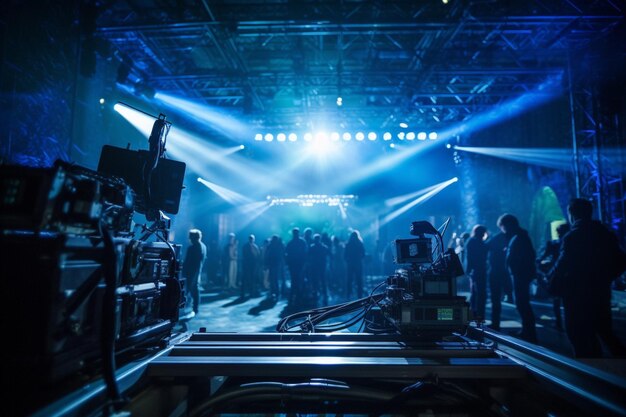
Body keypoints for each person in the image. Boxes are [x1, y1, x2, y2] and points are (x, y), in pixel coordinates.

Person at [547, 198, 626, 358]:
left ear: (572, 214)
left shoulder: (573, 236)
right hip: (600, 292)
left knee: (579, 336)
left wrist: (550, 279)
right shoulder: (605, 233)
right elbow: (621, 261)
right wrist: (606, 278)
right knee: (605, 332)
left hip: (576, 294)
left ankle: (588, 376)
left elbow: (563, 265)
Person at [497, 213, 538, 343]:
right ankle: (527, 330)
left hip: (520, 275)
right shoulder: (519, 236)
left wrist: (516, 269)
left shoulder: (520, 237)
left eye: (502, 226)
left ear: (508, 224)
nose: (502, 230)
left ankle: (528, 332)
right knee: (521, 302)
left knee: (522, 303)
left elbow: (524, 257)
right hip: (519, 274)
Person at [536, 222, 570, 330]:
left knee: (557, 299)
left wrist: (540, 261)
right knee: (564, 300)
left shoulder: (555, 243)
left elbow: (545, 255)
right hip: (566, 274)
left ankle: (560, 322)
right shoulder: (567, 242)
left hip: (558, 274)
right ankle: (563, 322)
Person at [486, 230, 510, 331]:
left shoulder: (495, 243)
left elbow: (486, 246)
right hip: (501, 272)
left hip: (495, 272)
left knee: (495, 299)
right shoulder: (504, 247)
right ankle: (496, 322)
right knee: (497, 299)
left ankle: (495, 323)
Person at [465, 225, 489, 322]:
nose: (483, 234)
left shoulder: (472, 242)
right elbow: (471, 257)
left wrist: (468, 269)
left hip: (475, 270)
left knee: (475, 293)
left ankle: (474, 314)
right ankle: (479, 315)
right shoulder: (478, 242)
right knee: (480, 293)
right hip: (478, 270)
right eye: (483, 232)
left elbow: (468, 257)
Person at [182, 229, 207, 316]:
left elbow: (189, 262)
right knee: (195, 290)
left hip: (192, 273)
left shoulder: (193, 247)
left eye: (190, 237)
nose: (189, 238)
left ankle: (189, 308)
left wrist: (184, 271)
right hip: (196, 272)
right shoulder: (203, 246)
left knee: (191, 290)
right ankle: (194, 308)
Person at [285, 227, 308, 305]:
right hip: (298, 265)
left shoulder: (290, 243)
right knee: (298, 281)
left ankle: (293, 297)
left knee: (295, 281)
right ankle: (298, 297)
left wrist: (287, 264)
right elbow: (305, 254)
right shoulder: (302, 242)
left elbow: (287, 255)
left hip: (295, 265)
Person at [308, 233, 331, 305]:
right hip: (321, 266)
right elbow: (329, 255)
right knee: (322, 281)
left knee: (316, 281)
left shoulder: (312, 247)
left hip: (316, 266)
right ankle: (324, 294)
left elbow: (308, 257)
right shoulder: (324, 247)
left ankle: (317, 294)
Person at [344, 230, 366, 299]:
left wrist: (348, 260)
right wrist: (359, 258)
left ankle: (349, 294)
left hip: (350, 264)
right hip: (358, 263)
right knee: (358, 279)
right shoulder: (360, 244)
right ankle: (359, 295)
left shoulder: (348, 244)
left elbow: (345, 255)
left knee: (349, 280)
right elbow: (363, 254)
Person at [265, 235, 286, 300]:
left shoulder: (270, 246)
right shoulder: (280, 245)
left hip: (274, 264)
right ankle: (277, 292)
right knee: (276, 279)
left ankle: (274, 292)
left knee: (273, 279)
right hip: (278, 264)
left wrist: (267, 264)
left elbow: (267, 255)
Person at [241, 234, 261, 298]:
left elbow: (258, 255)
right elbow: (244, 255)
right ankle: (243, 293)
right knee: (245, 279)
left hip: (253, 265)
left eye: (252, 239)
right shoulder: (245, 246)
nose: (252, 240)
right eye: (251, 239)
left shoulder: (255, 247)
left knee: (252, 279)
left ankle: (251, 292)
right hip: (247, 265)